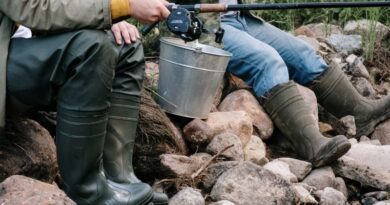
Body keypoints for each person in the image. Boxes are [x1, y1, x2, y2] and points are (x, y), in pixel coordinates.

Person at [1, 0, 170, 204]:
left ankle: (120, 180)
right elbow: (34, 9)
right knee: (90, 47)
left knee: (126, 45)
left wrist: (106, 18)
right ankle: (89, 194)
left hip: (16, 49)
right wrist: (121, 7)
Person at [218, 0, 390, 167]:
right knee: (268, 62)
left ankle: (360, 114)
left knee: (303, 56)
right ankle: (311, 144)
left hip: (239, 16)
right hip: (206, 25)